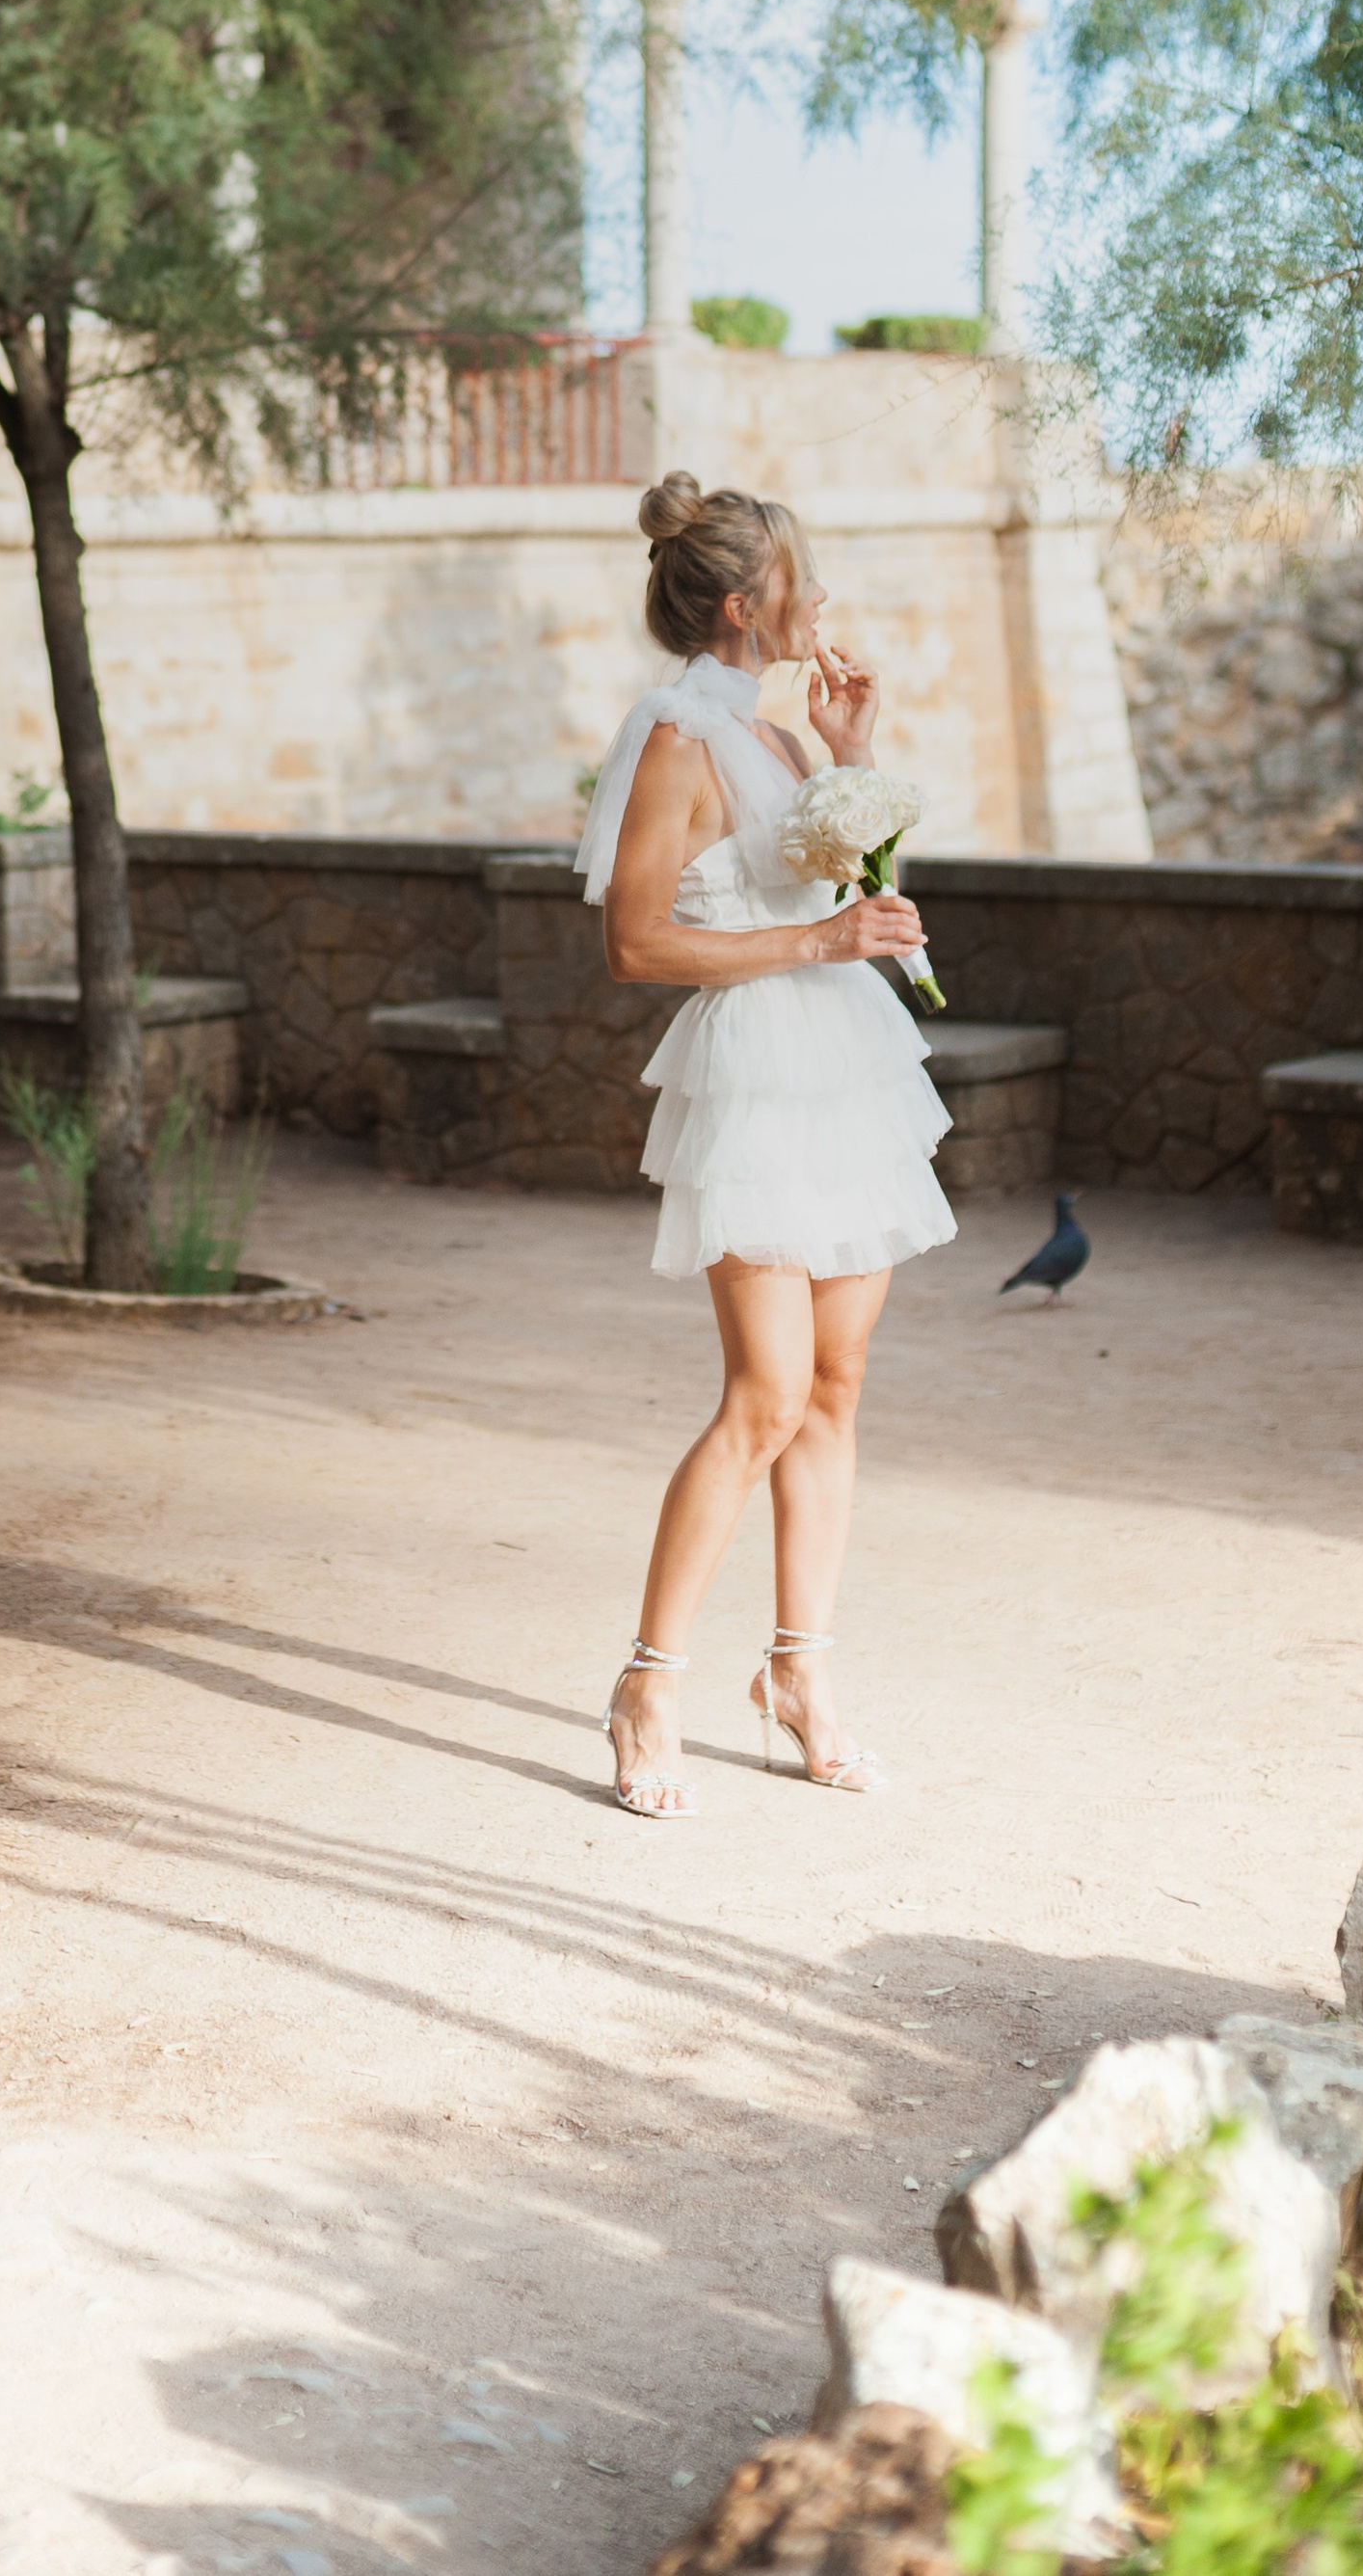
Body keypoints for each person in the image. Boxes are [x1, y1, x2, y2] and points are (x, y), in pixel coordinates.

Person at [575, 473, 955, 1817]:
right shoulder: (677, 741)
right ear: (745, 604)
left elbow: (839, 887)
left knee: (838, 1389)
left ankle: (800, 1673)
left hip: (847, 1072)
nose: (826, 603)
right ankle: (648, 1680)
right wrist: (821, 940)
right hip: (754, 1080)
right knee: (765, 1397)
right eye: (807, 583)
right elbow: (634, 944)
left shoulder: (786, 740)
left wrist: (852, 754)